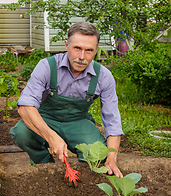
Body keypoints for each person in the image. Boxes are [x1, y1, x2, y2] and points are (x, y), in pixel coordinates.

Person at [10, 22, 124, 178]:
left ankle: (86, 173)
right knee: (22, 132)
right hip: (46, 118)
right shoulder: (47, 67)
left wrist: (112, 158)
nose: (82, 57)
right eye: (77, 48)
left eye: (89, 50)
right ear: (66, 45)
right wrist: (51, 138)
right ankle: (42, 164)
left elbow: (113, 121)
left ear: (96, 50)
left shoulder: (103, 76)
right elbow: (25, 107)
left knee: (97, 153)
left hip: (77, 121)